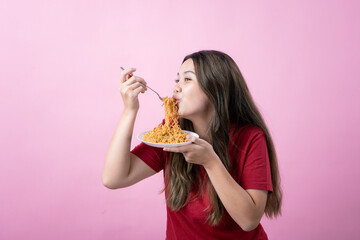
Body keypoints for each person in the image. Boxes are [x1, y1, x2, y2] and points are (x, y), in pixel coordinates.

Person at [102, 50, 282, 239]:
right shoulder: (172, 133)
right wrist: (130, 110)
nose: (176, 88)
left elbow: (249, 220)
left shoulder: (250, 137)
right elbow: (114, 178)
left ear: (216, 87)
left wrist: (211, 162)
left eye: (187, 80)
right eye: (176, 80)